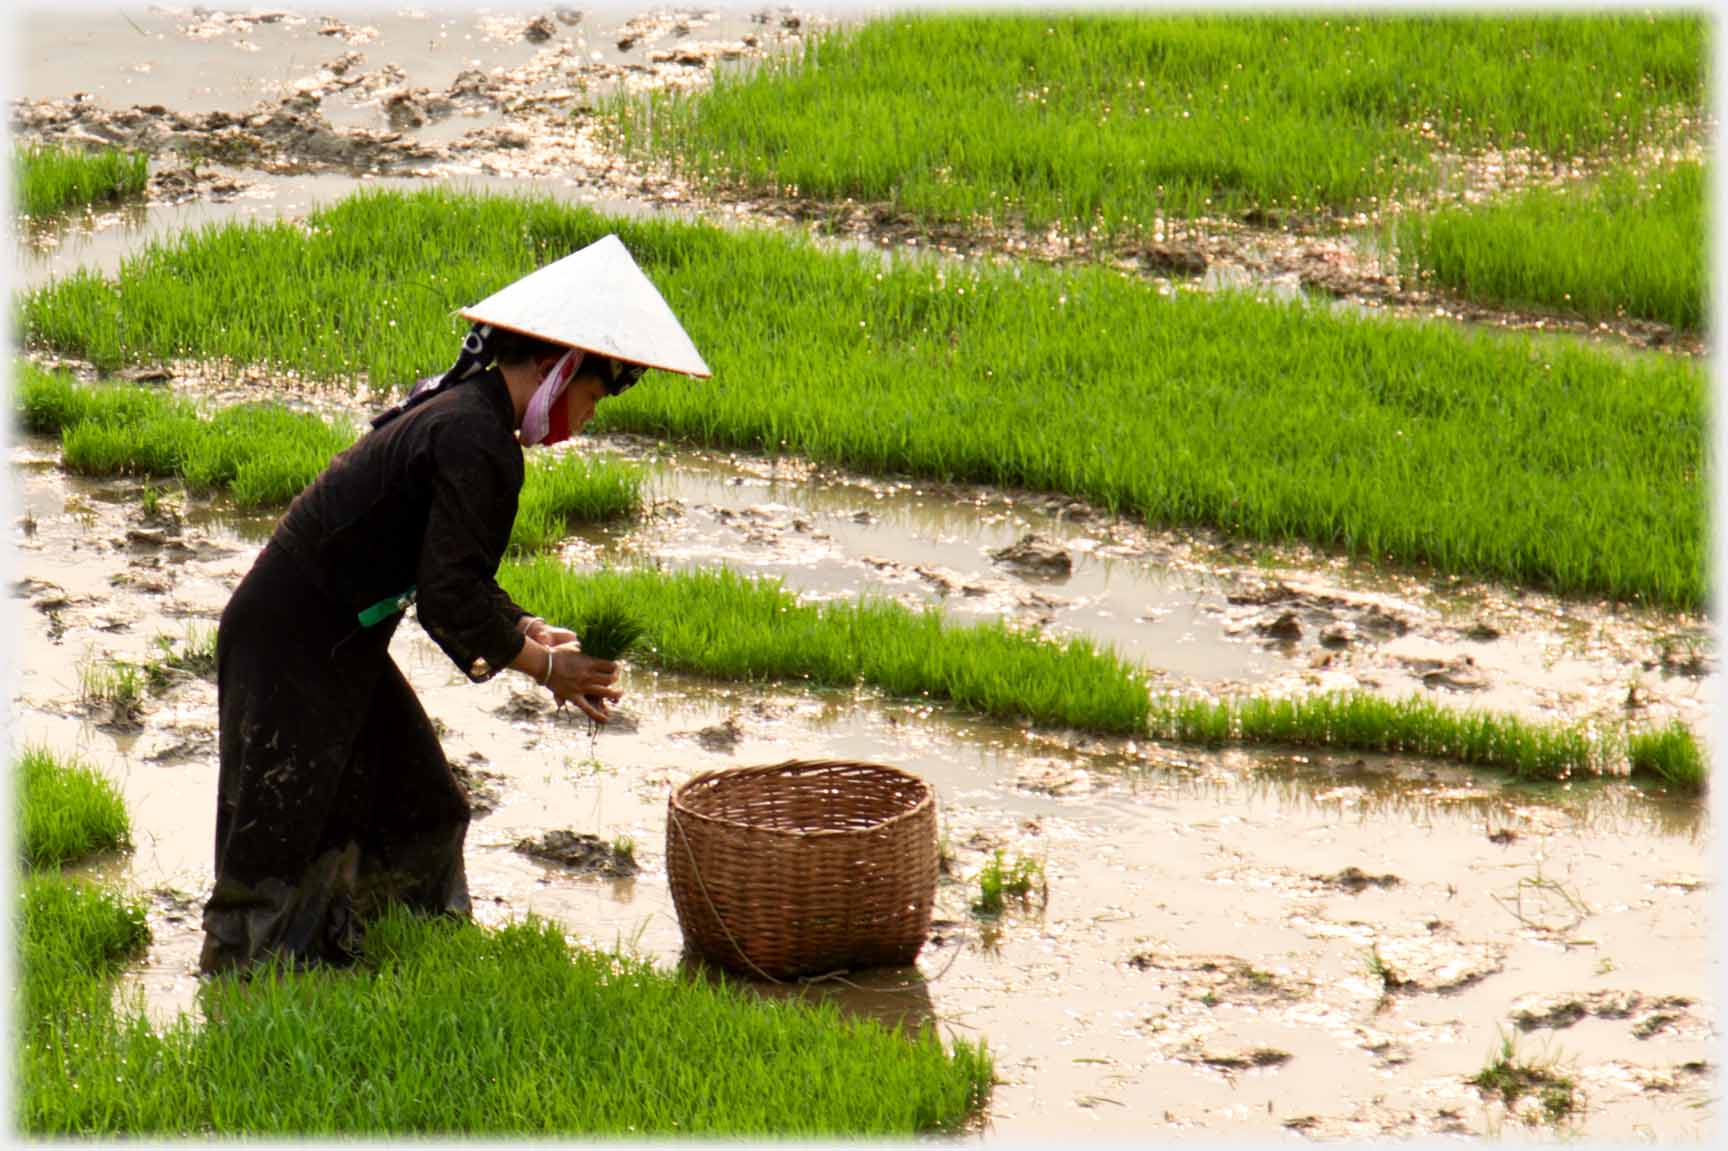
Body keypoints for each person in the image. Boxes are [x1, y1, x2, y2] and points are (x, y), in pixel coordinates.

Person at [200, 235, 711, 975]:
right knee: (276, 836)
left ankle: (389, 954)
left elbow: (449, 570)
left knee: (420, 802)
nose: (588, 418)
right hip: (291, 639)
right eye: (592, 396)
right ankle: (242, 990)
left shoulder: (467, 416)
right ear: (553, 368)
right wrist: (546, 668)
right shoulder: (478, 439)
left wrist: (524, 626)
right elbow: (447, 598)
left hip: (339, 638)